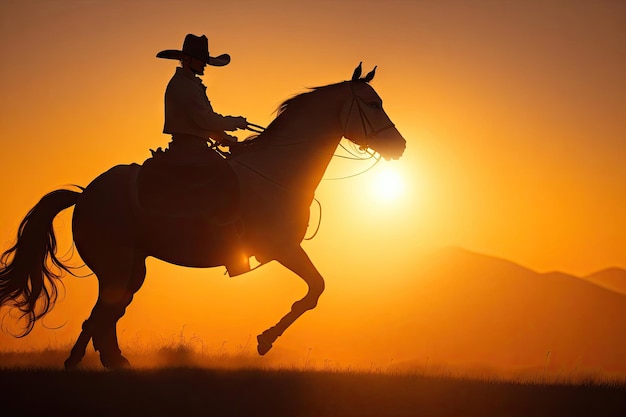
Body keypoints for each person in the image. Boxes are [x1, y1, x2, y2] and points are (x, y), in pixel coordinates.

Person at [156, 33, 248, 162]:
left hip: (195, 147)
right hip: (189, 150)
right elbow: (205, 120)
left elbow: (203, 124)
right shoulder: (185, 85)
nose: (204, 64)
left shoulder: (189, 83)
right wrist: (235, 122)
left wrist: (228, 140)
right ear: (188, 59)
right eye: (201, 60)